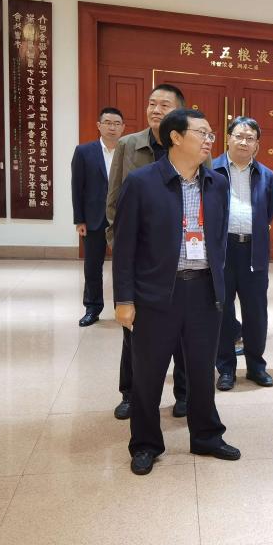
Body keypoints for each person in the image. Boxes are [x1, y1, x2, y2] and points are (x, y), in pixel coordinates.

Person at [112, 108, 240, 476]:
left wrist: (219, 288)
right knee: (148, 373)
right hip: (156, 293)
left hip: (203, 291)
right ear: (176, 137)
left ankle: (207, 436)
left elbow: (218, 239)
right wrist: (124, 299)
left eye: (211, 133)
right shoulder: (142, 183)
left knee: (201, 370)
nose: (210, 139)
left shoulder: (217, 183)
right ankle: (146, 443)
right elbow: (124, 247)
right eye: (202, 132)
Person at [106, 84, 189, 421]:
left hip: (182, 259)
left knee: (183, 331)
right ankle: (131, 394)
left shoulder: (192, 145)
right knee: (134, 331)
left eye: (164, 105)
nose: (155, 110)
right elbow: (114, 201)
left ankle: (184, 394)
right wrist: (122, 246)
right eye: (152, 103)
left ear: (179, 112)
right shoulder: (128, 145)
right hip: (141, 260)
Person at [212, 116, 273, 391]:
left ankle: (256, 366)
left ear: (257, 144)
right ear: (228, 138)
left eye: (250, 138)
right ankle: (226, 368)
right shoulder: (211, 169)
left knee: (256, 312)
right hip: (222, 250)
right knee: (223, 311)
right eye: (239, 136)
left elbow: (269, 212)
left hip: (254, 250)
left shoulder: (267, 175)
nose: (243, 142)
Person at [71, 107, 124, 327]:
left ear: (123, 128)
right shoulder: (84, 152)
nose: (112, 127)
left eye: (117, 123)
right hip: (94, 218)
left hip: (123, 218)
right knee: (93, 266)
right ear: (99, 125)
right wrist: (79, 219)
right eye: (108, 122)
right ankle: (92, 308)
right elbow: (77, 187)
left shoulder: (128, 150)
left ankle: (123, 308)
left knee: (124, 266)